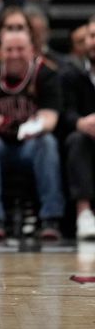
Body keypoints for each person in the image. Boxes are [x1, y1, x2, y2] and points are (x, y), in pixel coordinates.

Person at [0, 30, 65, 241]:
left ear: (32, 50)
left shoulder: (45, 74)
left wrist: (33, 127)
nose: (14, 55)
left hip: (30, 145)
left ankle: (50, 219)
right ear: (0, 51)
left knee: (48, 142)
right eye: (9, 49)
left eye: (20, 49)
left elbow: (50, 120)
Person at [60, 16, 95, 239]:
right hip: (87, 139)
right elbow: (65, 112)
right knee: (76, 140)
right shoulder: (71, 74)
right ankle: (84, 213)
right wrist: (81, 123)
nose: (94, 42)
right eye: (91, 36)